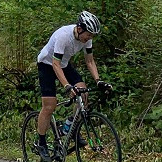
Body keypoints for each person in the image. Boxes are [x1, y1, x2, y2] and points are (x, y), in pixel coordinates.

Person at [33, 10, 113, 161]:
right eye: (88, 34)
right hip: (46, 64)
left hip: (62, 64)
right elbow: (55, 65)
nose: (90, 38)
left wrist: (98, 80)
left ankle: (70, 126)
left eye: (92, 35)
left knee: (83, 92)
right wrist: (67, 86)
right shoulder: (64, 36)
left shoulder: (86, 39)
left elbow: (89, 61)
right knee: (50, 105)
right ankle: (41, 143)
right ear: (80, 28)